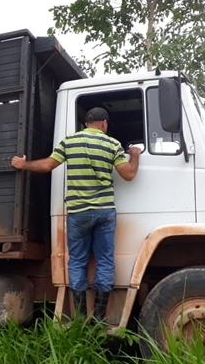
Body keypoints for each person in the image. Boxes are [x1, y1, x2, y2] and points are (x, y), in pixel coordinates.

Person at [11, 107, 141, 322]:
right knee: (105, 261)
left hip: (78, 213)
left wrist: (24, 164)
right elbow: (128, 175)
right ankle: (99, 318)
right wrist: (134, 155)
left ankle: (80, 319)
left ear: (86, 124)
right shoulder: (112, 144)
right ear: (104, 124)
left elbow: (47, 165)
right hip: (104, 212)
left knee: (78, 262)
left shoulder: (69, 142)